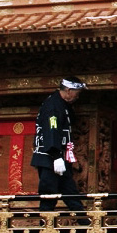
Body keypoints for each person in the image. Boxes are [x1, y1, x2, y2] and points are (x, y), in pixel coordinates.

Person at [32, 77, 86, 212]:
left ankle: (86, 225)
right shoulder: (53, 106)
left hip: (60, 159)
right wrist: (55, 156)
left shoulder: (63, 105)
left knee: (70, 193)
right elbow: (52, 130)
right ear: (68, 90)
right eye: (76, 93)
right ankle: (44, 229)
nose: (77, 97)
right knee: (48, 196)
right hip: (49, 158)